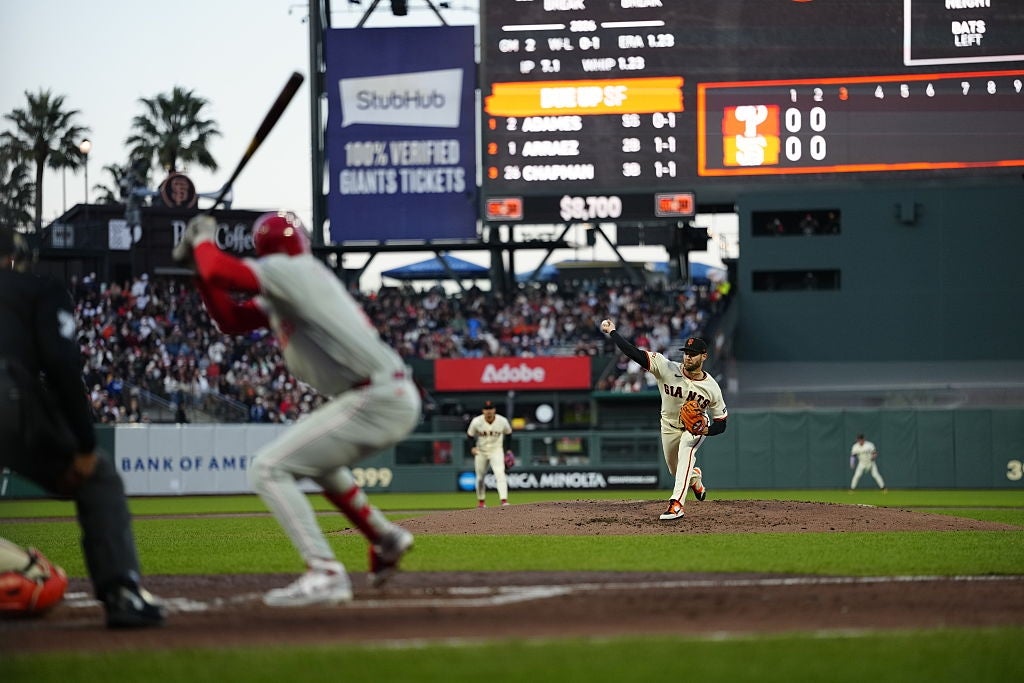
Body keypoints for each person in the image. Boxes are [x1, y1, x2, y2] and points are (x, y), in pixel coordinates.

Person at [174, 211, 421, 606]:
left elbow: (224, 272)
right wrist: (199, 270)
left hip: (375, 396)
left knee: (268, 467)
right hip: (379, 395)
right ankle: (384, 536)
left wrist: (204, 241)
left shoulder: (292, 271)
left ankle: (324, 571)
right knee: (319, 466)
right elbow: (231, 319)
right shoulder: (292, 280)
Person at [0, 225, 165, 627]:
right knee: (99, 477)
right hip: (7, 395)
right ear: (14, 258)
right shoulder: (37, 289)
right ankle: (122, 593)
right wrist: (86, 445)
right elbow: (61, 365)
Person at [600, 321, 727, 521]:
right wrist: (613, 332)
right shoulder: (666, 367)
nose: (688, 356)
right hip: (668, 425)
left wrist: (705, 430)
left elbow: (721, 422)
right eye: (686, 352)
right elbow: (633, 353)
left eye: (693, 353)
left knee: (687, 446)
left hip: (694, 426)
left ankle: (676, 504)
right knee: (674, 469)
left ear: (704, 356)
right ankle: (694, 479)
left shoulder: (712, 388)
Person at [466, 400, 514, 508]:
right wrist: (472, 447)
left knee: (500, 474)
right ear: (483, 411)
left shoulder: (502, 421)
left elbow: (509, 433)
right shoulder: (476, 421)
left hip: (496, 450)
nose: (488, 411)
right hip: (481, 451)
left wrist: (509, 449)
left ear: (494, 410)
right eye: (486, 409)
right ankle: (481, 501)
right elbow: (470, 435)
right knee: (480, 478)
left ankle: (504, 500)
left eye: (490, 409)